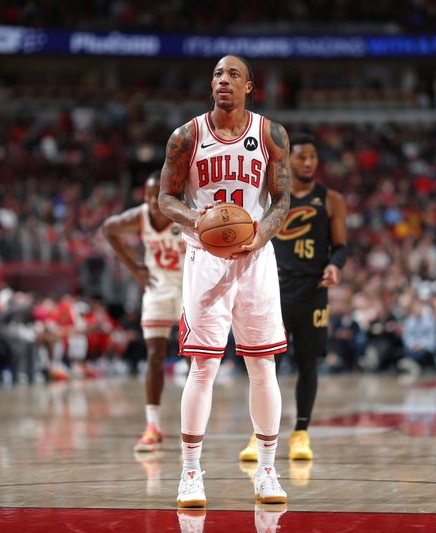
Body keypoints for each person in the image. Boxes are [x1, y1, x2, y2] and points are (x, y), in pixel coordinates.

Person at [158, 55, 291, 508]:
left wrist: (259, 235)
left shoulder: (271, 134)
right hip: (204, 257)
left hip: (255, 259)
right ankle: (190, 473)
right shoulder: (187, 136)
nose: (223, 81)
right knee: (203, 367)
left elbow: (282, 200)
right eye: (217, 74)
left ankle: (268, 471)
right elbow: (165, 198)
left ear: (249, 86)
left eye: (233, 74)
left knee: (262, 365)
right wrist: (200, 219)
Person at [238, 133, 347, 463]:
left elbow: (340, 247)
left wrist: (334, 267)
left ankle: (301, 432)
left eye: (313, 157)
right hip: (274, 288)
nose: (308, 162)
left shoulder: (331, 200)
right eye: (301, 157)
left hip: (313, 290)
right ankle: (259, 434)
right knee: (266, 363)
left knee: (308, 362)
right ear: (288, 161)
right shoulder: (271, 198)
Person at [102, 172, 185, 452]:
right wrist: (133, 267)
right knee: (154, 355)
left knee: (200, 357)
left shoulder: (184, 213)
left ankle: (195, 425)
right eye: (148, 195)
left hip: (189, 288)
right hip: (158, 288)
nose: (151, 201)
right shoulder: (138, 217)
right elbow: (108, 229)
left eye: (156, 196)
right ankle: (152, 425)